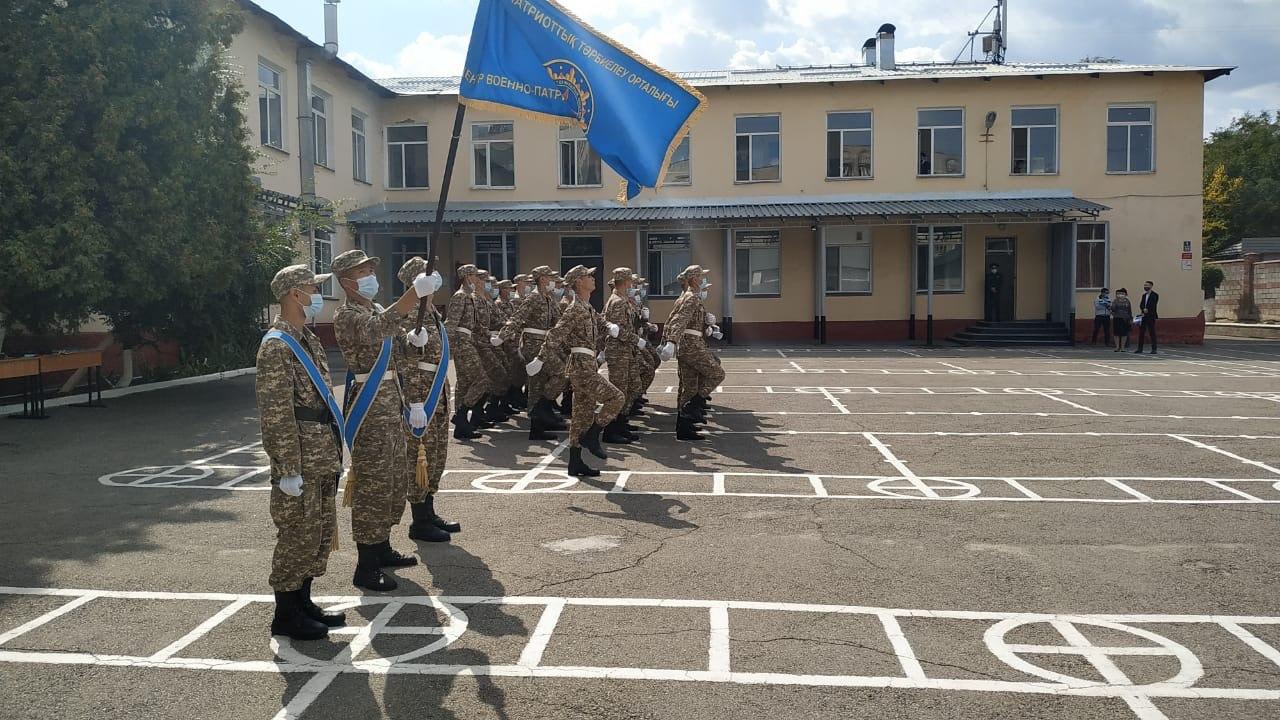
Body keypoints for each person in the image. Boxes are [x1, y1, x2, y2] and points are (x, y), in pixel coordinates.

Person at [331, 249, 439, 592]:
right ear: (347, 282)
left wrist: (411, 342)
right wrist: (413, 295)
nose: (370, 276)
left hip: (391, 402)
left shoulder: (374, 307)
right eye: (363, 271)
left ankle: (383, 546)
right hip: (369, 405)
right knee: (374, 484)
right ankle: (366, 565)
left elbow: (391, 343)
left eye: (370, 269)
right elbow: (377, 330)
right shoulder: (347, 314)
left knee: (393, 480)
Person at [256, 265, 346, 640]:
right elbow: (276, 412)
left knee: (319, 531)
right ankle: (286, 613)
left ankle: (304, 601)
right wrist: (288, 467)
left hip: (321, 451)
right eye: (313, 288)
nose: (317, 295)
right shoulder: (277, 345)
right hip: (301, 457)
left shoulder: (306, 338)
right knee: (297, 533)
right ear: (295, 293)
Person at [529, 264, 624, 477]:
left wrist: (608, 326)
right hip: (581, 366)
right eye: (588, 276)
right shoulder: (574, 309)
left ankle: (575, 461)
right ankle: (593, 435)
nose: (592, 278)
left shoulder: (587, 307)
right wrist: (540, 358)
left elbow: (601, 322)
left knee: (581, 414)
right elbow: (556, 334)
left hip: (587, 363)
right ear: (579, 282)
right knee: (616, 397)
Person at [396, 257, 456, 544]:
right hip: (423, 398)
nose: (435, 280)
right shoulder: (411, 315)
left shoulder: (431, 312)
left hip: (439, 394)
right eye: (427, 276)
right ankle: (419, 521)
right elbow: (407, 363)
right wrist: (415, 402)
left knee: (435, 458)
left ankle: (429, 511)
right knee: (419, 458)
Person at [500, 265, 566, 441]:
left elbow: (560, 322)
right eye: (550, 277)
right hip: (533, 345)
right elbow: (517, 318)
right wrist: (502, 337)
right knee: (561, 372)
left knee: (537, 385)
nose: (553, 281)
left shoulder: (548, 298)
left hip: (545, 344)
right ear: (543, 279)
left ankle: (537, 427)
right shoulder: (534, 298)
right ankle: (542, 409)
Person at [660, 265, 725, 441]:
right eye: (701, 277)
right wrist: (671, 341)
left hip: (687, 344)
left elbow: (672, 319)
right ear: (695, 279)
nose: (704, 280)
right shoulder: (691, 298)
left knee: (688, 387)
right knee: (717, 373)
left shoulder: (688, 297)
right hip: (691, 345)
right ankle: (692, 407)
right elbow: (679, 320)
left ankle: (684, 428)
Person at [602, 268, 645, 444]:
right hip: (618, 352)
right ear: (626, 281)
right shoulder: (617, 302)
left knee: (634, 387)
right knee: (619, 391)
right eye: (630, 281)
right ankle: (611, 429)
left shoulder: (622, 300)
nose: (632, 284)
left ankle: (621, 422)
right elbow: (620, 331)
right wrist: (637, 340)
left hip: (626, 351)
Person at [446, 264, 488, 439]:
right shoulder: (460, 297)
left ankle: (461, 428)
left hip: (467, 339)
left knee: (463, 384)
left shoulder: (469, 297)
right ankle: (460, 415)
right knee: (482, 380)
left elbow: (475, 324)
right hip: (461, 342)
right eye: (474, 276)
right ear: (467, 277)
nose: (477, 279)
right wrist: (447, 348)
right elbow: (451, 323)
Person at [1135, 280, 1159, 354]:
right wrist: (1143, 309)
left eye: (1147, 285)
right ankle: (1140, 348)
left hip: (1151, 316)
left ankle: (1154, 349)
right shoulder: (1144, 295)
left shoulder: (1155, 295)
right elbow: (1141, 304)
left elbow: (1153, 304)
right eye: (1145, 285)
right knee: (1141, 332)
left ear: (1151, 286)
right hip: (1143, 316)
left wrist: (1147, 309)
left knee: (1152, 332)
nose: (1145, 287)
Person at [1111, 287, 1133, 352]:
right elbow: (1113, 309)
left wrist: (1131, 318)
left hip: (1125, 318)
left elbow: (1129, 310)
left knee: (1124, 333)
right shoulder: (1115, 301)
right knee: (1116, 333)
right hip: (1117, 318)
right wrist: (1112, 306)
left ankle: (1123, 347)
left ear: (1125, 294)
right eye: (1120, 293)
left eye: (1123, 293)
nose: (1121, 295)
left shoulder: (1127, 301)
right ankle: (1117, 347)